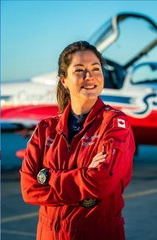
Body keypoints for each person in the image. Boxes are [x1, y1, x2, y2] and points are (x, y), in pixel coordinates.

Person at [20, 41, 135, 240]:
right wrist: (84, 181)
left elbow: (101, 183)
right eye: (80, 70)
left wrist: (48, 176)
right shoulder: (45, 129)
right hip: (48, 234)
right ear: (63, 80)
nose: (89, 76)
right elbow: (29, 190)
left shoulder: (115, 123)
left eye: (95, 69)